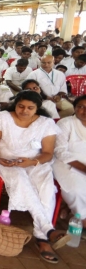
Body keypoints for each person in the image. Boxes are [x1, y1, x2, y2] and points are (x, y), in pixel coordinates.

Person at [0, 90, 70, 263]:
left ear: (37, 108)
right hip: (6, 161)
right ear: (15, 104)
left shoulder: (46, 123)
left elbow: (47, 153)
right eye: (21, 106)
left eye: (30, 108)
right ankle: (47, 233)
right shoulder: (2, 118)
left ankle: (42, 235)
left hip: (35, 162)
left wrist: (31, 162)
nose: (24, 111)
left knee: (46, 190)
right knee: (21, 182)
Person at [53, 96, 86, 233]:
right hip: (66, 163)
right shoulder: (65, 123)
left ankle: (68, 208)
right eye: (80, 107)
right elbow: (60, 151)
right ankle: (83, 220)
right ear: (74, 108)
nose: (84, 111)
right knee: (75, 190)